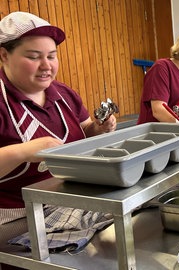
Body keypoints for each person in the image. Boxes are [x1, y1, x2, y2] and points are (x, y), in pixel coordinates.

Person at [0, 12, 116, 268]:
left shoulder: (63, 93)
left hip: (70, 197)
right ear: (4, 55)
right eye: (33, 57)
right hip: (15, 215)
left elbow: (84, 132)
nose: (46, 65)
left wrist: (99, 129)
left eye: (51, 56)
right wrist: (24, 151)